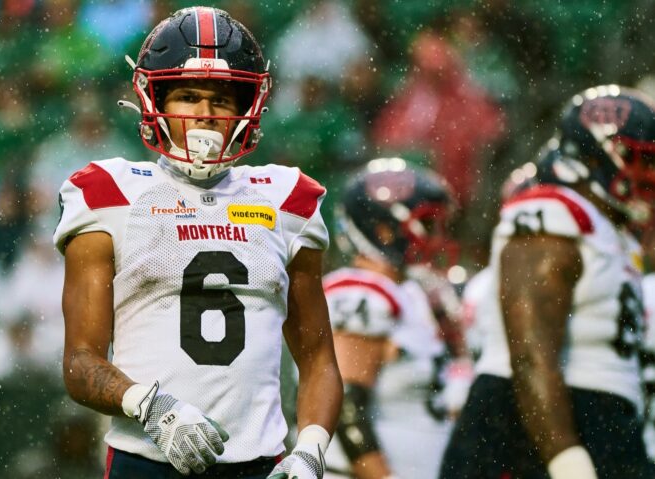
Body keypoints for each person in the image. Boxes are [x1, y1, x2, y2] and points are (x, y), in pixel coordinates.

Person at [54, 7, 342, 479]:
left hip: (260, 466)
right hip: (147, 464)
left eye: (221, 99)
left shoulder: (287, 199)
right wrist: (149, 404)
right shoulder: (111, 191)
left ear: (246, 107)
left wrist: (311, 449)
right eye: (188, 96)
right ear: (154, 98)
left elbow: (318, 361)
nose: (205, 116)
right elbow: (79, 363)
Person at [439, 85, 655, 479]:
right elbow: (529, 353)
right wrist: (565, 456)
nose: (648, 173)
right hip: (532, 425)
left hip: (602, 421)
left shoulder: (612, 231)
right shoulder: (552, 212)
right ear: (591, 154)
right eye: (636, 158)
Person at [322, 158, 466, 479]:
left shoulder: (411, 293)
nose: (438, 238)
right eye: (427, 225)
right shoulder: (360, 292)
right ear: (384, 231)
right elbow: (345, 407)